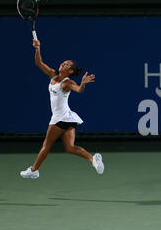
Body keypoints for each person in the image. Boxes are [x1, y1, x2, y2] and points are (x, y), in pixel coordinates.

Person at [20, 39, 104, 179]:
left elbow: (78, 90)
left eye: (66, 64)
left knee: (46, 146)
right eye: (63, 62)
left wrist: (82, 84)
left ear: (70, 71)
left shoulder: (67, 83)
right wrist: (37, 48)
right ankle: (93, 159)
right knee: (70, 148)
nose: (62, 64)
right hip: (68, 118)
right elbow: (39, 63)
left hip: (59, 119)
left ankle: (34, 170)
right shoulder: (53, 74)